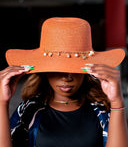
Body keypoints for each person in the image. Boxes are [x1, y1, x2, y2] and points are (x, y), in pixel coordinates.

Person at [0, 17, 128, 147]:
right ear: (45, 71)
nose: (66, 77)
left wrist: (117, 101)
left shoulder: (101, 112)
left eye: (75, 68)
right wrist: (2, 102)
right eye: (57, 69)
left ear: (88, 71)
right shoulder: (30, 110)